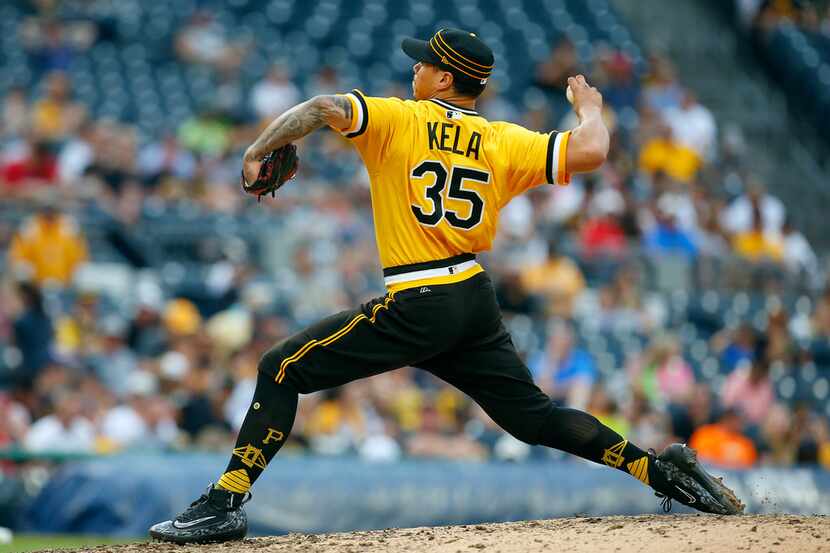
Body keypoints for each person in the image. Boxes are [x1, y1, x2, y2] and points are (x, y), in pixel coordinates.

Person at [150, 28, 742, 544]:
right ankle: (661, 473)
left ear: (443, 77)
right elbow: (592, 147)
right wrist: (587, 105)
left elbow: (323, 106)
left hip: (421, 299)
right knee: (534, 418)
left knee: (282, 368)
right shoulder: (504, 139)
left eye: (423, 63)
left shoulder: (399, 118)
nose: (414, 68)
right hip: (472, 299)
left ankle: (224, 504)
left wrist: (261, 147)